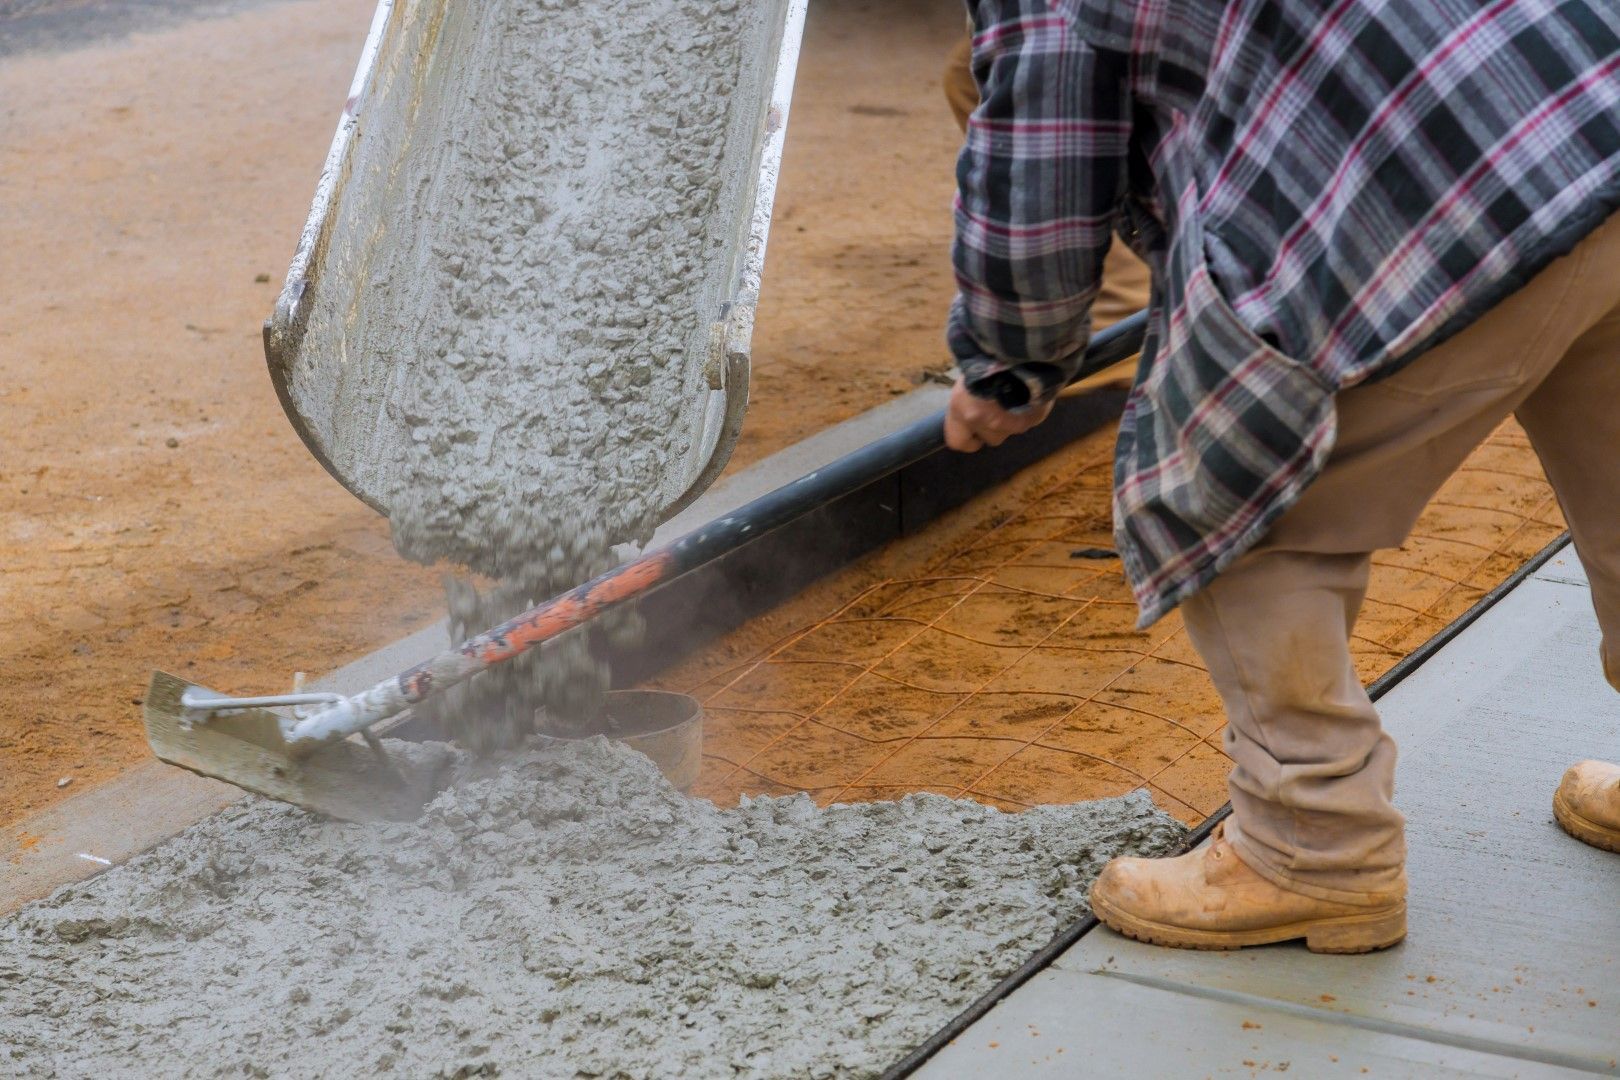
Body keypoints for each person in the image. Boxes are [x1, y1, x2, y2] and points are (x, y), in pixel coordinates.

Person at [941, 0, 1620, 954]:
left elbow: (1039, 165)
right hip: (1595, 115)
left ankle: (1312, 849)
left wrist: (1006, 361)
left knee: (1235, 494)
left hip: (1439, 193)